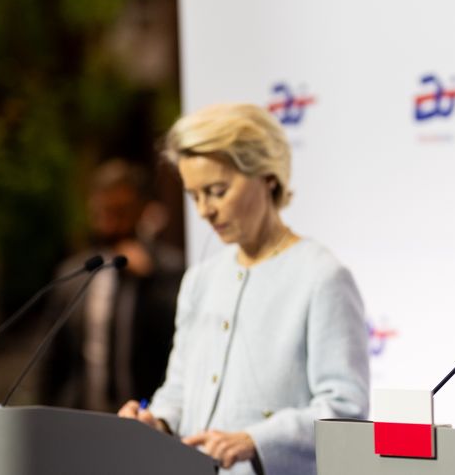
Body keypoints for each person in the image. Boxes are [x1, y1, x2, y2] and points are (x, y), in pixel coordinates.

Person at [118, 103, 369, 475]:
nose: (205, 210)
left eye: (217, 191)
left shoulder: (321, 276)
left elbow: (346, 412)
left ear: (267, 176)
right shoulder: (200, 280)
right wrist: (156, 423)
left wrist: (257, 439)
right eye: (195, 195)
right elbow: (178, 391)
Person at [43, 159, 183, 412]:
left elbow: (179, 343)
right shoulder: (73, 274)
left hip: (146, 417)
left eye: (119, 212)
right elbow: (52, 361)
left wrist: (150, 279)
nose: (110, 222)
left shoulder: (167, 269)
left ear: (141, 210)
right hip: (83, 416)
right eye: (102, 212)